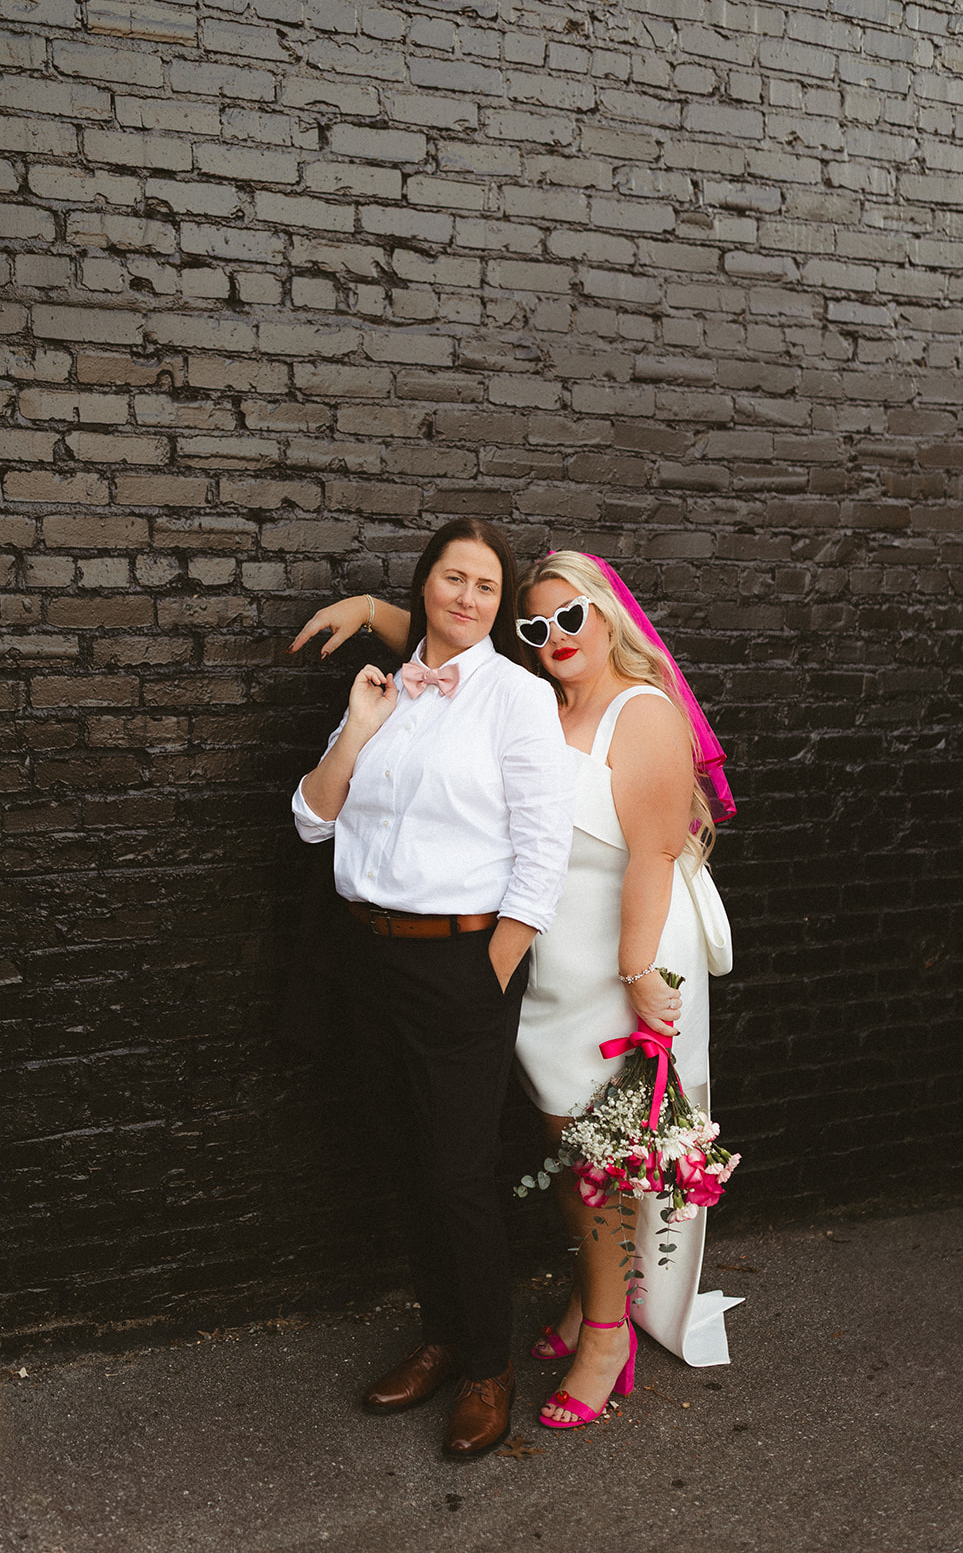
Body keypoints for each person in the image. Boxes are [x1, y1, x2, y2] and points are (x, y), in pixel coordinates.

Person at [290, 548, 735, 1433]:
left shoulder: (639, 714)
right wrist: (373, 608)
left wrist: (641, 975)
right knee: (569, 1145)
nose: (555, 637)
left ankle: (608, 1334)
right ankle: (587, 1296)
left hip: (622, 955)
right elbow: (455, 630)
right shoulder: (542, 696)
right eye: (538, 626)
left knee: (602, 1158)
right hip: (549, 959)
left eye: (571, 617)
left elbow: (650, 855)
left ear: (609, 615)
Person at [290, 519, 572, 1458]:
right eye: (453, 579)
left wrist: (490, 971)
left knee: (456, 1175)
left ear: (498, 605)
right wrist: (361, 729)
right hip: (371, 959)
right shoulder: (384, 690)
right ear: (423, 589)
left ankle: (489, 1368)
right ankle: (442, 1339)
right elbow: (310, 820)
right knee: (408, 1163)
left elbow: (543, 853)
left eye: (486, 587)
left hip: (461, 964)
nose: (467, 598)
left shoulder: (518, 702)